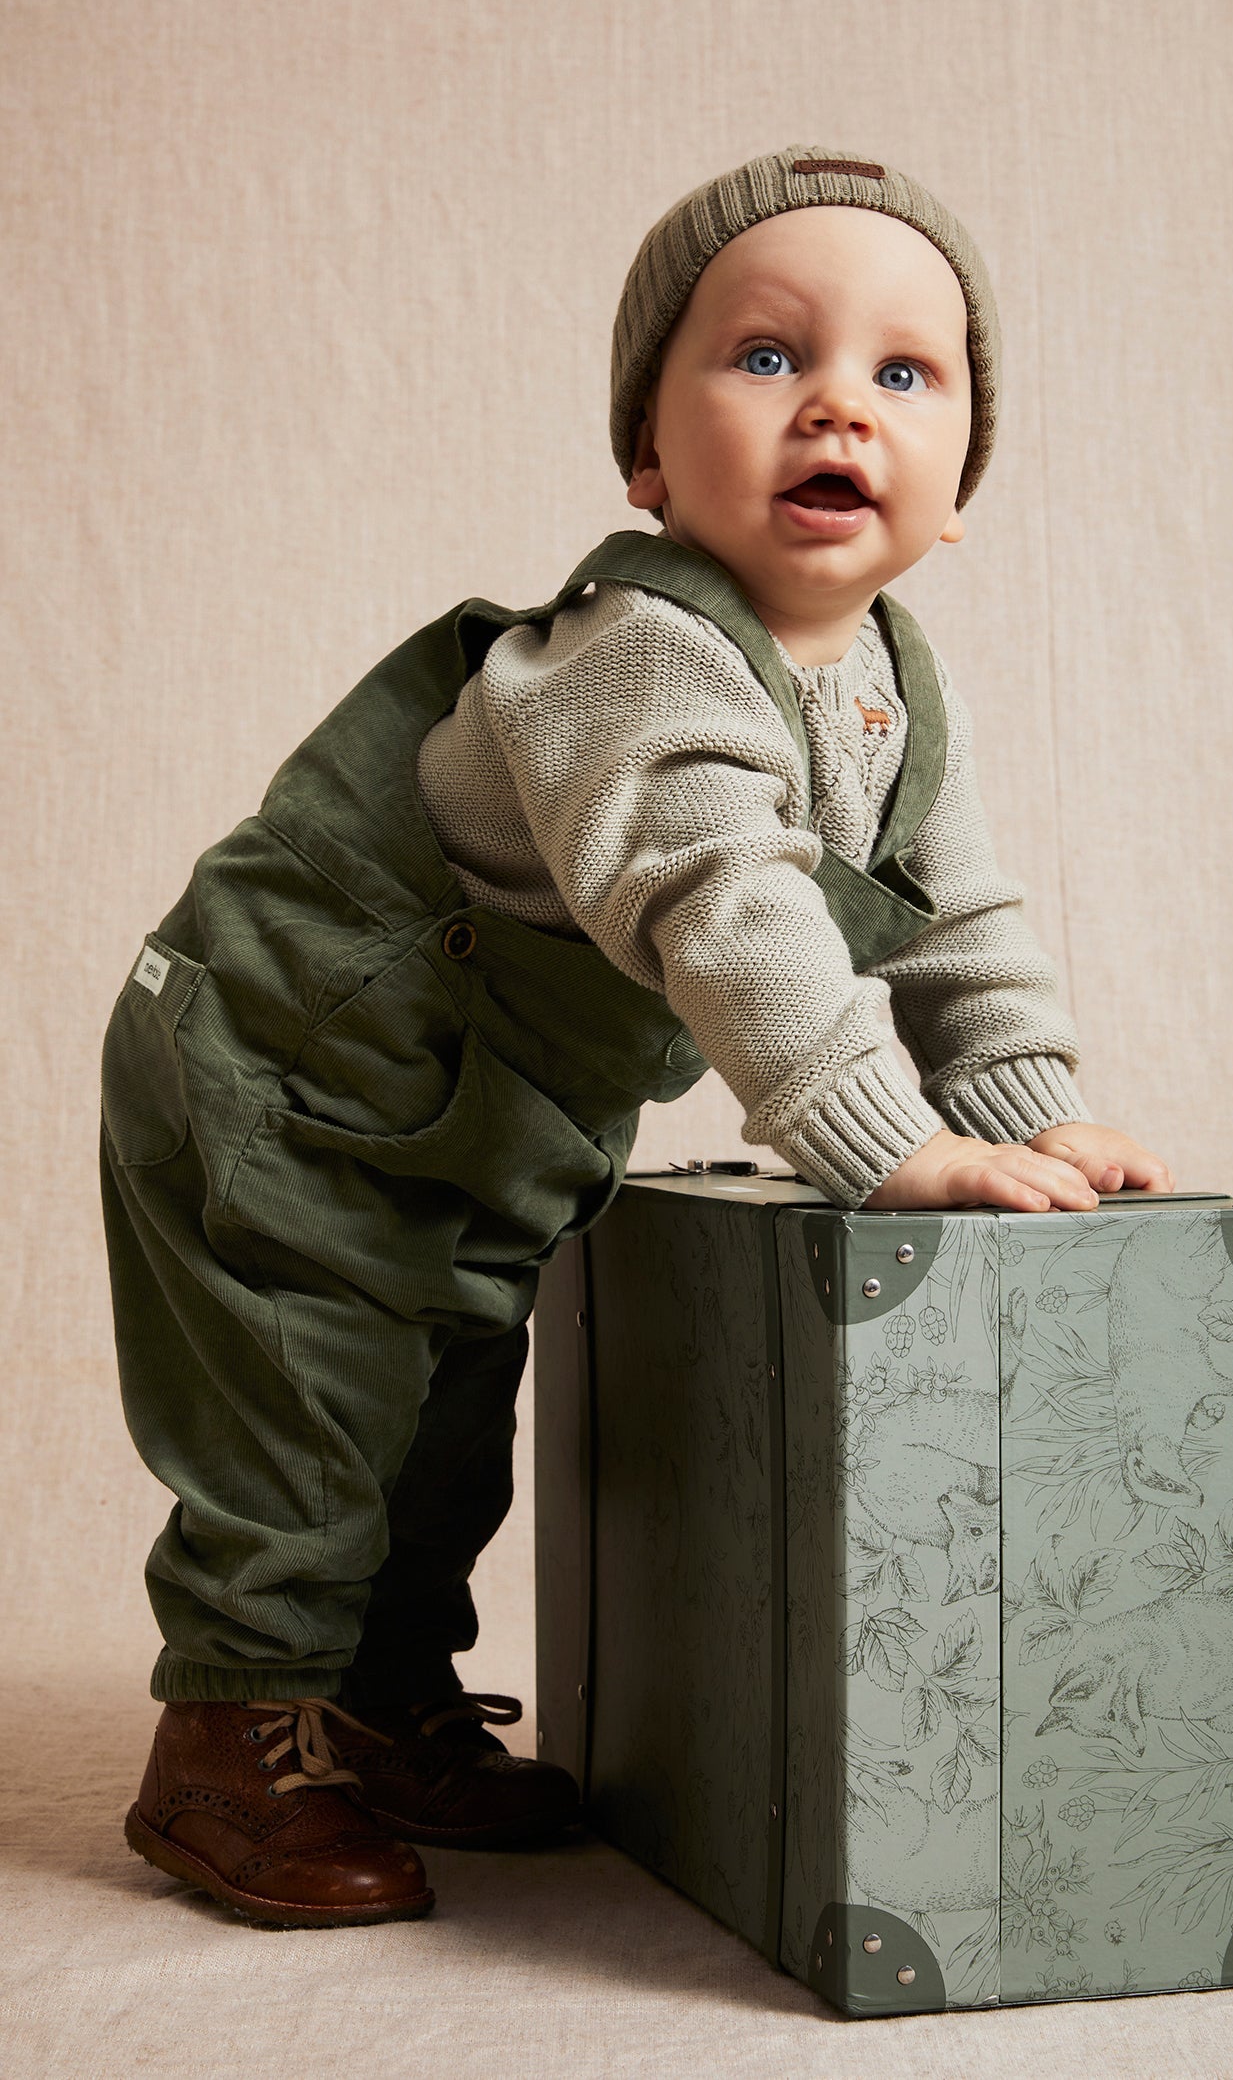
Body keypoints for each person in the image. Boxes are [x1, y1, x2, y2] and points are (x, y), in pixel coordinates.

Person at [100, 143, 1174, 1930]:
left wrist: (1030, 1104)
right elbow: (723, 899)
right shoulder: (637, 650)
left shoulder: (901, 686)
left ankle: (378, 1700)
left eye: (906, 375)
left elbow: (960, 913)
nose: (839, 400)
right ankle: (226, 1738)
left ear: (962, 483)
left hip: (475, 1111)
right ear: (650, 458)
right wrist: (884, 1141)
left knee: (448, 1412)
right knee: (307, 1401)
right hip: (284, 1073)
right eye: (767, 358)